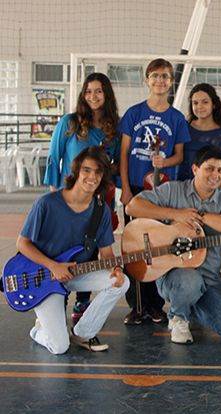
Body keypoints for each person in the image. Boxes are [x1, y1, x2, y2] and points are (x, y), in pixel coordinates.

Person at [125, 146, 221, 344]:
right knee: (189, 280)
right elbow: (133, 207)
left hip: (210, 278)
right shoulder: (173, 190)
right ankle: (178, 317)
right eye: (209, 168)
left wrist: (201, 217)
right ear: (195, 169)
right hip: (175, 274)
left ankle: (191, 304)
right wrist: (176, 214)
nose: (215, 175)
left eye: (220, 170)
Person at [17, 146, 129, 354]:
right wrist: (53, 266)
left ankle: (83, 334)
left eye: (98, 172)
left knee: (121, 283)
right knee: (59, 347)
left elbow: (106, 253)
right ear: (76, 171)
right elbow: (22, 244)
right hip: (45, 278)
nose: (92, 177)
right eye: (87, 170)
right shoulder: (47, 203)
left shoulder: (101, 211)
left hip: (76, 274)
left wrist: (116, 269)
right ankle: (38, 330)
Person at [43, 72, 121, 326]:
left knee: (91, 249)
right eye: (88, 91)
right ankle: (56, 298)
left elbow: (116, 165)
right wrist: (54, 196)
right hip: (68, 198)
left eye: (98, 91)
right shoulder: (70, 122)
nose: (93, 96)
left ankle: (82, 302)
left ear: (106, 94)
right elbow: (54, 157)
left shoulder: (114, 128)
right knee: (62, 249)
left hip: (99, 199)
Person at [119, 58, 191, 325]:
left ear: (171, 82)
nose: (160, 80)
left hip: (162, 193)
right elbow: (124, 154)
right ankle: (137, 305)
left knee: (159, 247)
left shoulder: (177, 118)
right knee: (134, 246)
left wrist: (165, 162)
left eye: (165, 76)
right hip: (137, 191)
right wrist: (126, 188)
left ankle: (156, 304)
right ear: (147, 80)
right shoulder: (133, 113)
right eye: (155, 75)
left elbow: (180, 156)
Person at [178, 83, 221, 182]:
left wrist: (220, 191)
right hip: (183, 185)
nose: (199, 106)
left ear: (214, 104)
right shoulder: (184, 128)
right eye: (195, 103)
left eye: (205, 102)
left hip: (210, 187)